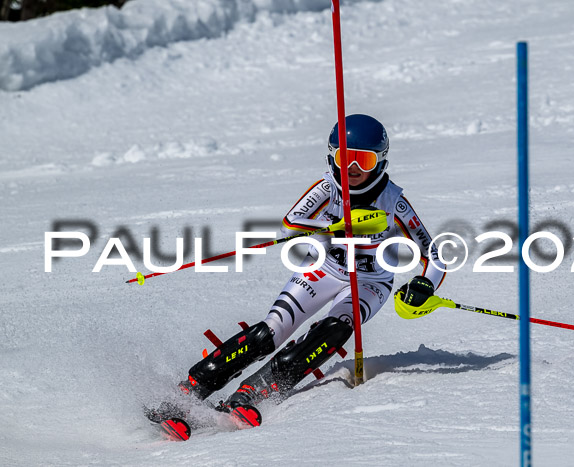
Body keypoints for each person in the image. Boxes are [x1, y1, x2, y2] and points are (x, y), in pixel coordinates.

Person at [157, 114, 447, 429]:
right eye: (345, 158)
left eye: (363, 161)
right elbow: (292, 221)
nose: (352, 169)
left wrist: (424, 284)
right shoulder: (327, 187)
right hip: (322, 268)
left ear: (380, 162)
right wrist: (335, 227)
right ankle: (189, 391)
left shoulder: (394, 202)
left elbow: (434, 255)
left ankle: (253, 393)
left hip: (369, 282)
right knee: (270, 330)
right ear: (332, 156)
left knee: (335, 329)